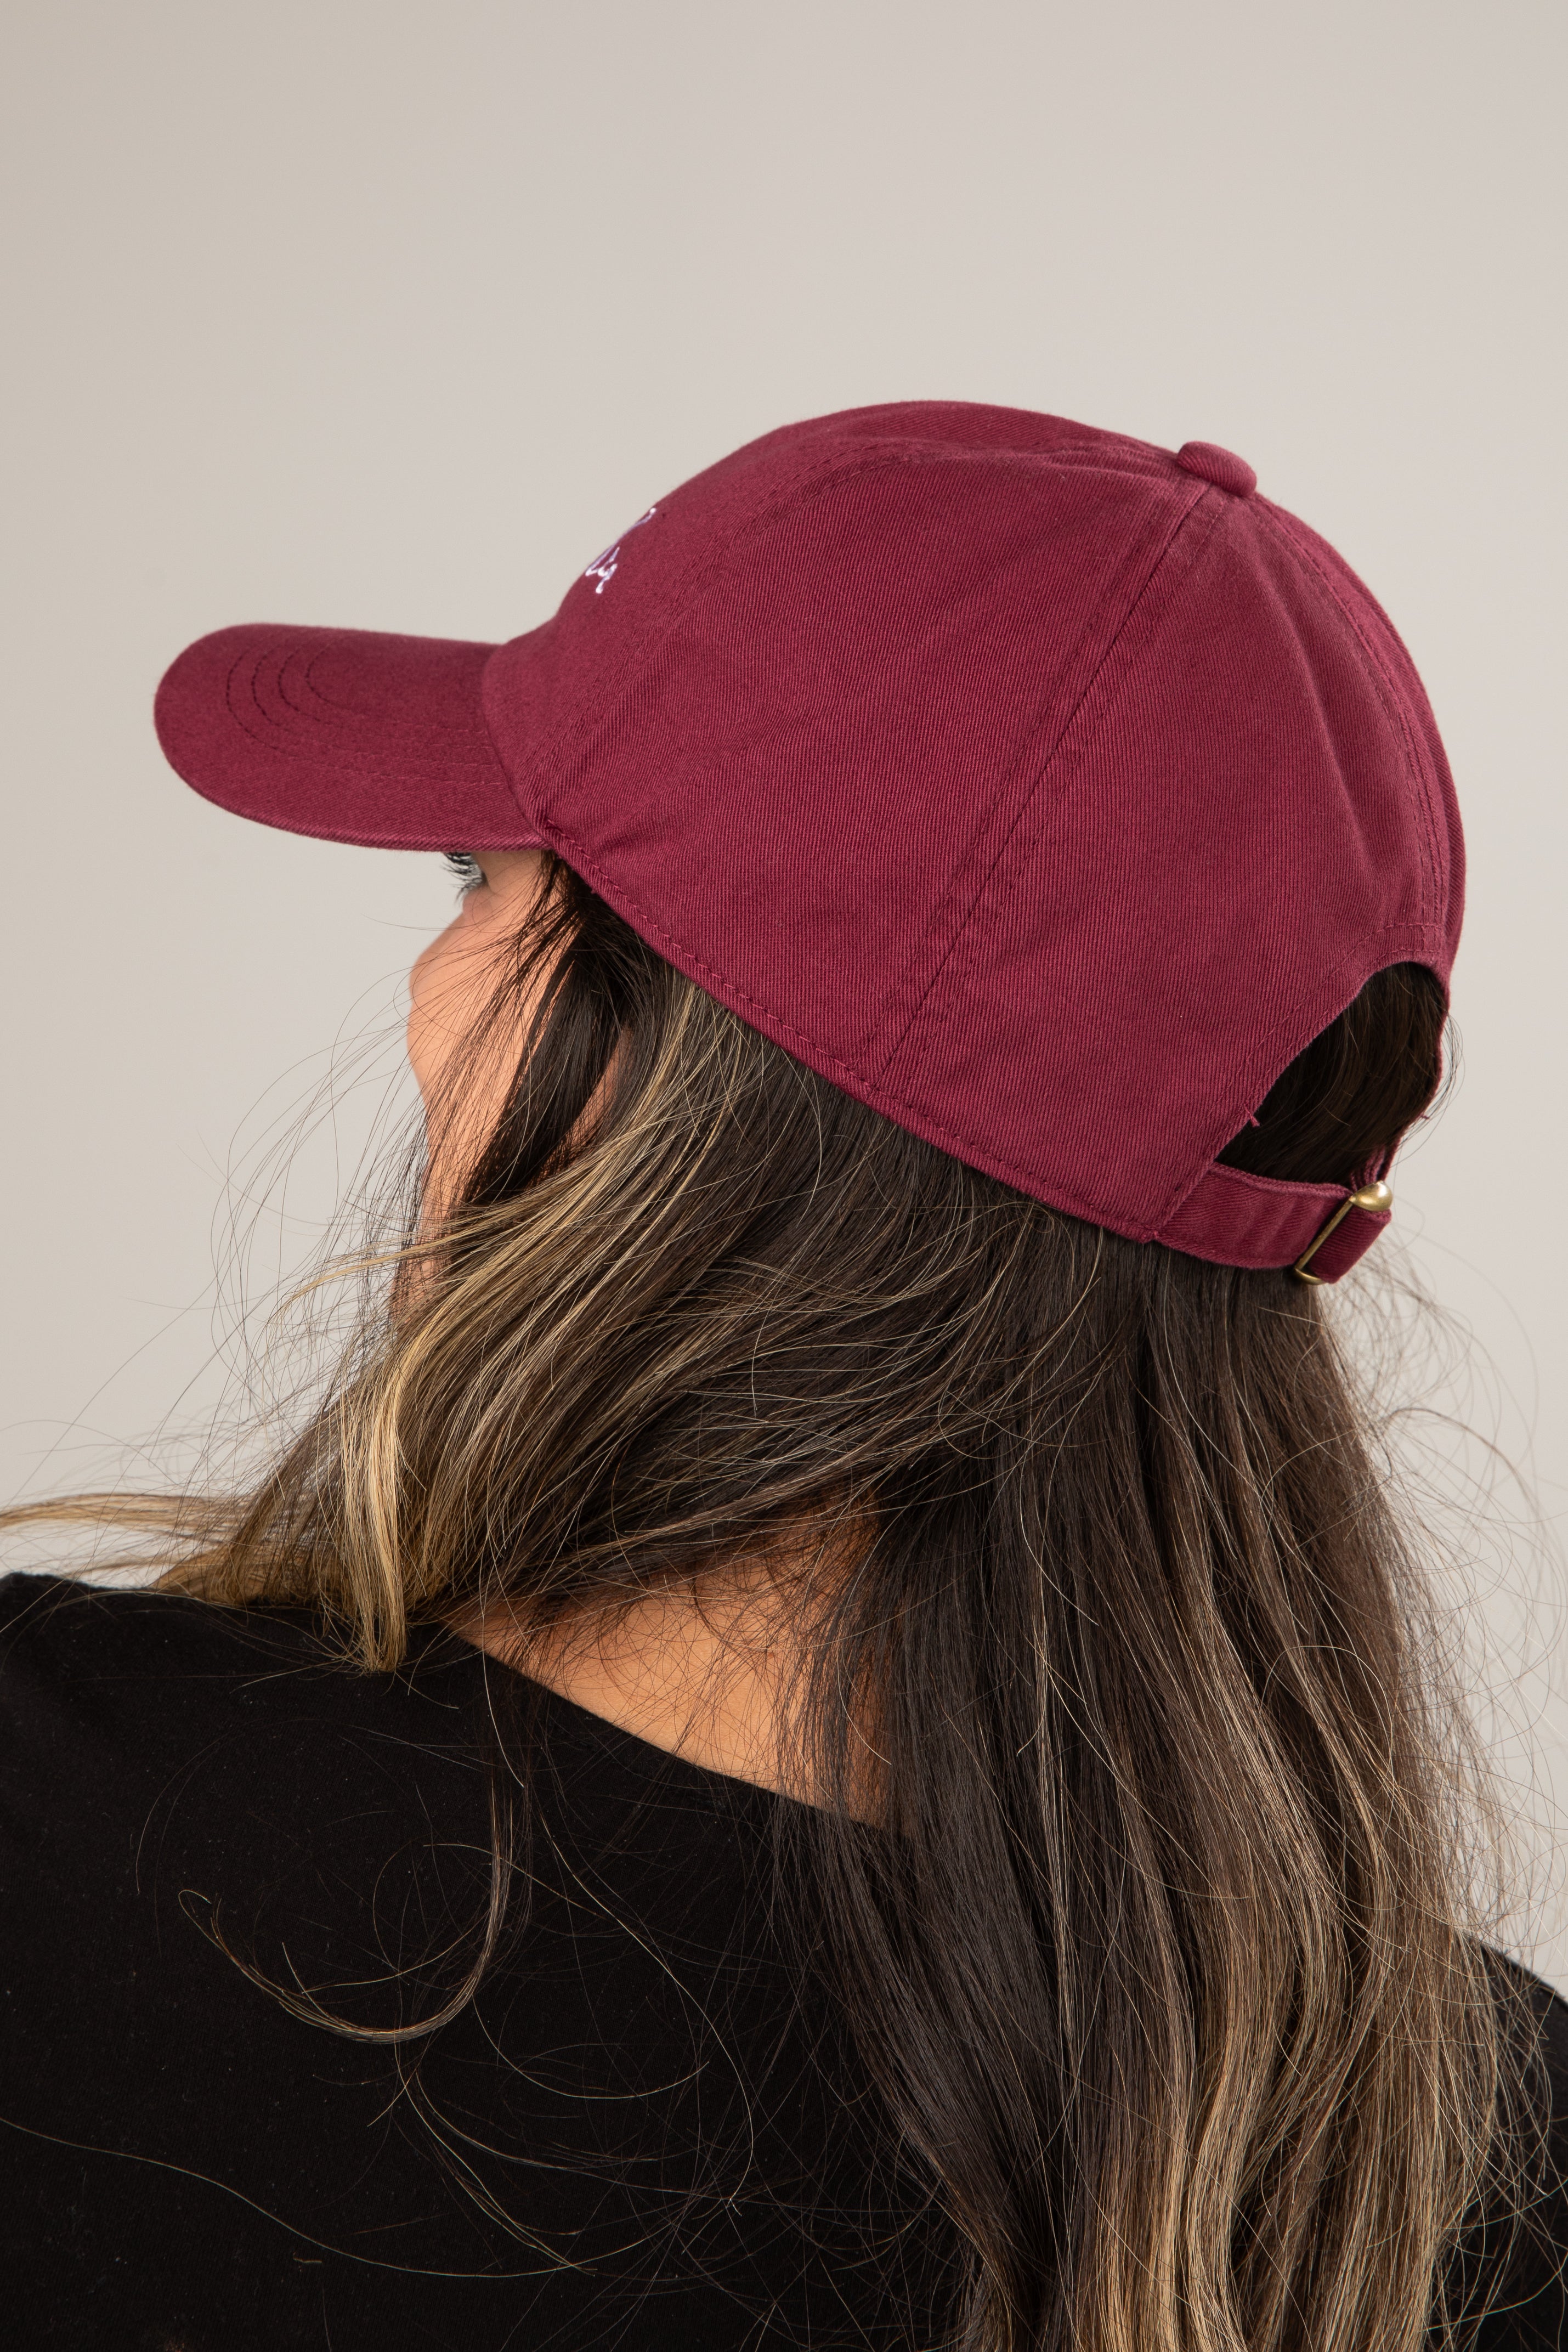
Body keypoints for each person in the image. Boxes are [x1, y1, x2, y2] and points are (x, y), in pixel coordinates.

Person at [2, 401, 1564, 2352]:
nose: (437, 985)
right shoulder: (1481, 2159)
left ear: (641, 1088)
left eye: (479, 882)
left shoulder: (59, 1831)